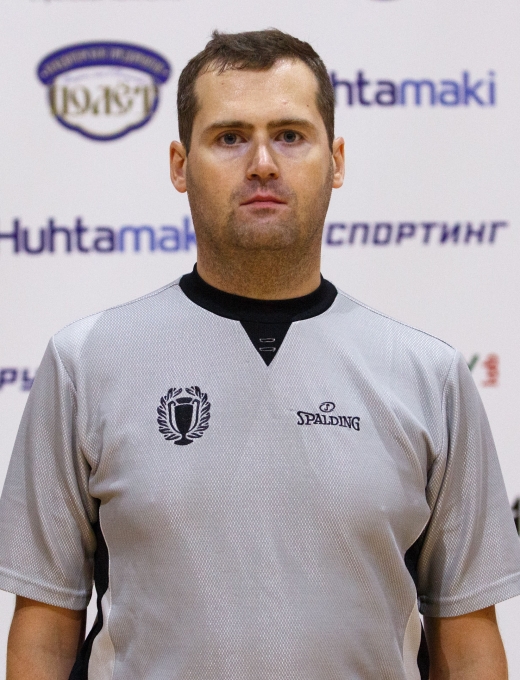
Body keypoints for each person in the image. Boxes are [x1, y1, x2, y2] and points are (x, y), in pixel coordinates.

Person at [1, 28, 519, 680]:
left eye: (291, 135)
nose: (263, 163)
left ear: (336, 160)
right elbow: (44, 635)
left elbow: (468, 646)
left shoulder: (430, 377)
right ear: (179, 165)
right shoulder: (86, 363)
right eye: (230, 137)